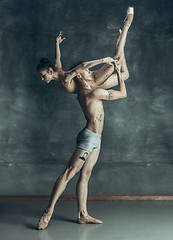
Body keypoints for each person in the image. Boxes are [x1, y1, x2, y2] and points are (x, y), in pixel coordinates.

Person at [36, 7, 134, 230]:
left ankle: (82, 214)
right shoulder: (85, 90)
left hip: (97, 139)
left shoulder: (91, 86)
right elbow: (82, 69)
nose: (94, 73)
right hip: (89, 137)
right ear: (82, 76)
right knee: (69, 173)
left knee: (86, 174)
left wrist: (58, 45)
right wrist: (106, 61)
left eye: (44, 75)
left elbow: (122, 80)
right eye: (89, 73)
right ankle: (47, 212)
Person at [37, 7, 134, 92]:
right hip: (91, 84)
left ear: (50, 71)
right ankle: (119, 43)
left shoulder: (65, 80)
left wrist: (103, 60)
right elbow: (57, 57)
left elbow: (82, 66)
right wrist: (57, 44)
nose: (41, 79)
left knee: (117, 58)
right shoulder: (58, 70)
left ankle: (126, 25)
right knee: (125, 75)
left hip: (94, 82)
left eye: (43, 75)